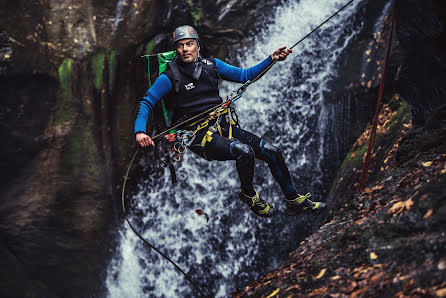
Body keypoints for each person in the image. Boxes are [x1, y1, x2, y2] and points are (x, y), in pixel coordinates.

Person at [135, 25, 327, 218]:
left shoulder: (212, 66)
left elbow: (245, 76)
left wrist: (272, 59)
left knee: (272, 152)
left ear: (197, 46)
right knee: (243, 151)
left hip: (223, 126)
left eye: (189, 44)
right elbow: (147, 102)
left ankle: (294, 201)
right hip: (198, 136)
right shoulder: (169, 77)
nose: (185, 49)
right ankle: (249, 195)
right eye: (180, 45)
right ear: (175, 50)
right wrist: (140, 131)